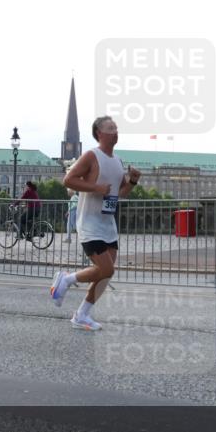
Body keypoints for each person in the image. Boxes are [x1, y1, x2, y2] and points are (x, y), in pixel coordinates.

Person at [50, 116, 141, 330]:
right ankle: (66, 279)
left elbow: (120, 194)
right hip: (89, 223)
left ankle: (81, 315)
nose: (116, 131)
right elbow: (68, 180)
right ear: (99, 133)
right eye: (111, 128)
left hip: (108, 224)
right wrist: (95, 188)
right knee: (107, 270)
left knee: (105, 274)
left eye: (116, 128)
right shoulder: (92, 155)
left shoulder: (118, 161)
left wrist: (134, 181)